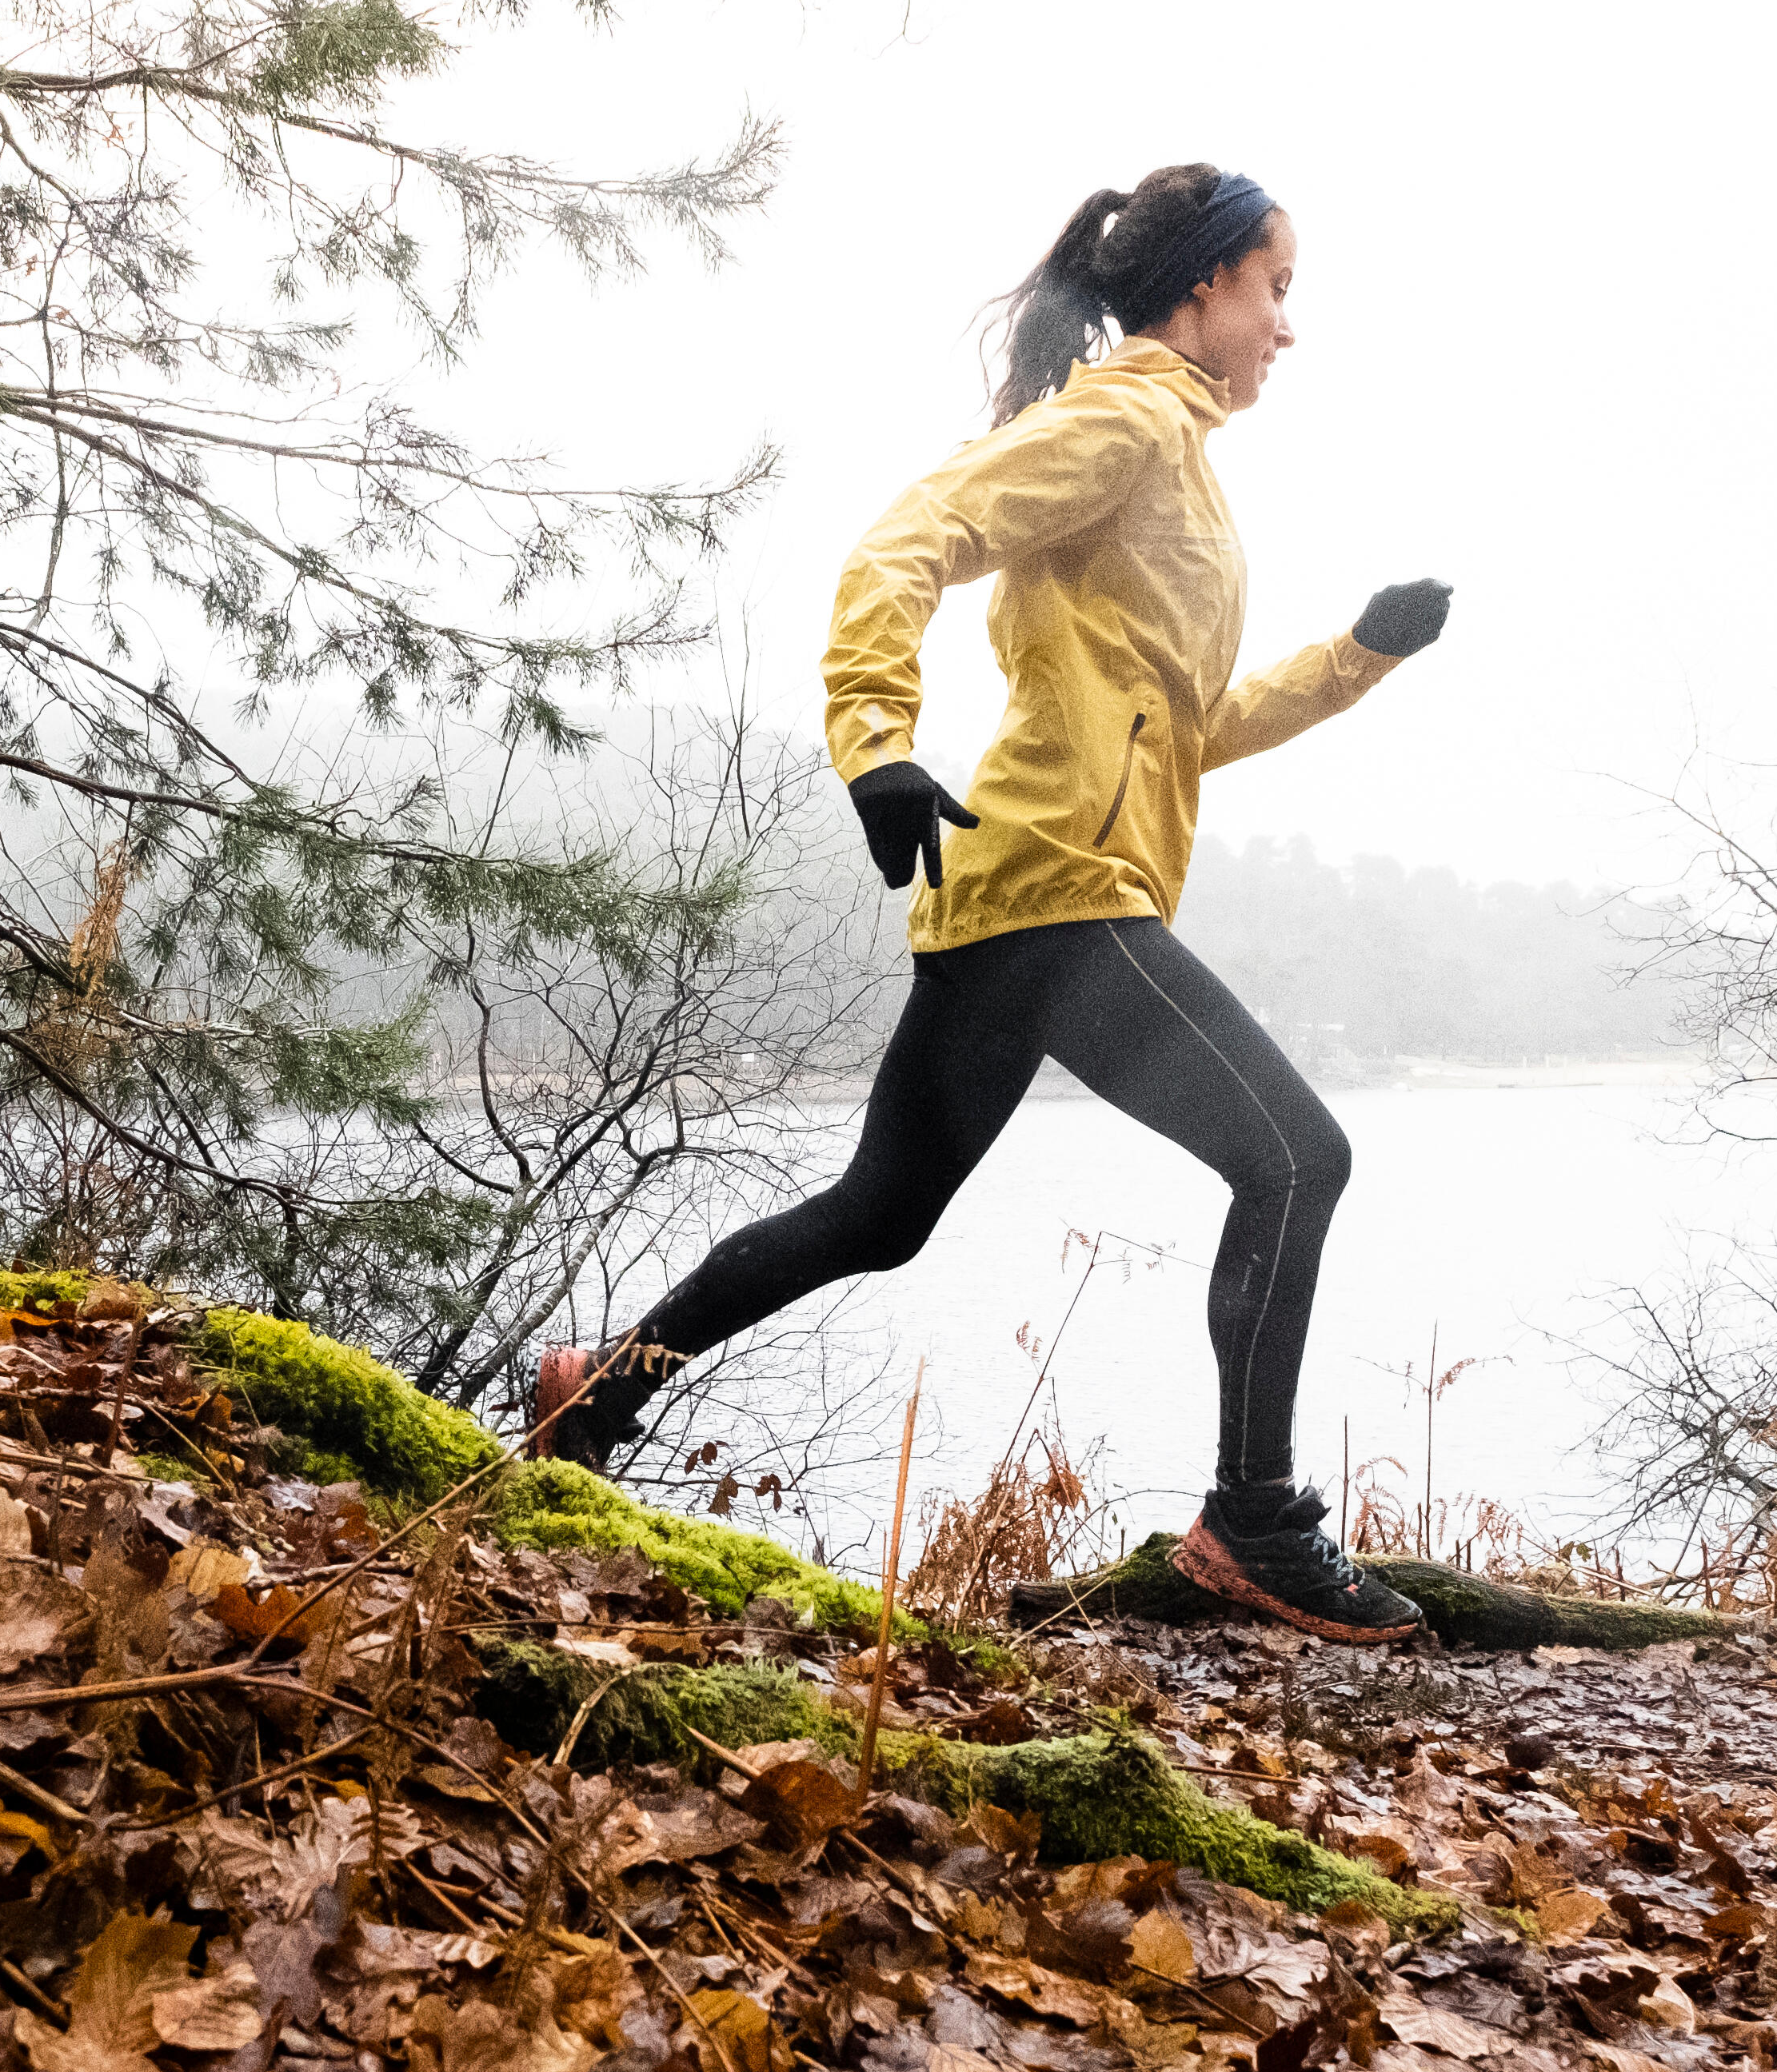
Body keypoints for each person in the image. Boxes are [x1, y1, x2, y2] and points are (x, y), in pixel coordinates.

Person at [528, 162, 1448, 1642]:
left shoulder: (1177, 455)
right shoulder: (1131, 419)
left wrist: (1357, 655)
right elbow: (910, 539)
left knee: (878, 1215)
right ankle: (1255, 1525)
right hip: (1057, 896)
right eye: (1279, 289)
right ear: (1205, 288)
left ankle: (603, 1381)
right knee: (1295, 1159)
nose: (1289, 326)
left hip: (1021, 899)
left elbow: (1188, 720)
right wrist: (875, 742)